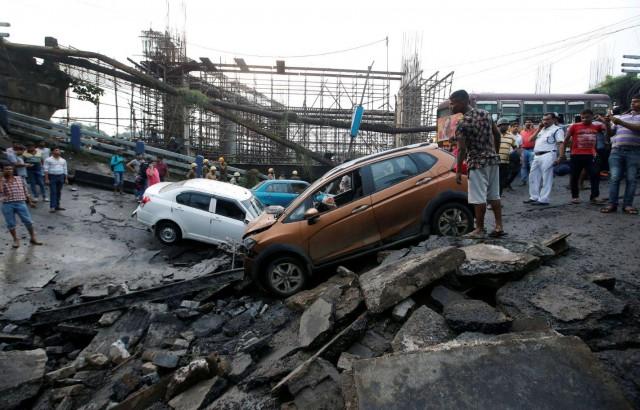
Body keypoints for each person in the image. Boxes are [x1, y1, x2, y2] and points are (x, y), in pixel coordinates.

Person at [450, 89, 505, 238]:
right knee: (494, 194)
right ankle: (499, 226)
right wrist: (495, 153)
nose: (451, 107)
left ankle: (479, 229)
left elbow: (461, 149)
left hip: (476, 162)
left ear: (462, 102)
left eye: (453, 103)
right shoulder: (485, 114)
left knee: (478, 197)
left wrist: (458, 171)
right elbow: (497, 134)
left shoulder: (462, 123)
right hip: (492, 160)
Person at [599, 94, 640, 214]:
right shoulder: (622, 116)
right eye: (632, 101)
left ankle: (627, 205)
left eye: (637, 102)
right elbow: (610, 135)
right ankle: (612, 204)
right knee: (615, 177)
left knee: (631, 179)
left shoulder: (620, 119)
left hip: (635, 151)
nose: (633, 103)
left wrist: (620, 122)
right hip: (616, 150)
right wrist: (607, 123)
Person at [556, 109, 605, 204]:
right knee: (574, 176)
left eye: (587, 117)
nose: (584, 119)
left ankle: (594, 196)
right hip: (576, 155)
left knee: (595, 175)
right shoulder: (574, 126)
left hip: (591, 155)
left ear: (592, 117)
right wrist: (562, 155)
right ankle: (575, 197)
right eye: (582, 117)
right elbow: (565, 140)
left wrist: (602, 120)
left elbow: (608, 129)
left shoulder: (597, 126)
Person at [523, 113, 564, 206]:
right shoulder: (541, 130)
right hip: (537, 155)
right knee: (533, 176)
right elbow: (530, 140)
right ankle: (534, 197)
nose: (545, 121)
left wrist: (560, 157)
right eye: (543, 119)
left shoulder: (557, 129)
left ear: (554, 120)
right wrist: (538, 129)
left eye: (547, 119)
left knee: (546, 177)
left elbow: (561, 143)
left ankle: (544, 199)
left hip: (548, 154)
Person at [1, 165, 42, 248]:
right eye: (6, 169)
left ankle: (33, 238)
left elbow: (25, 190)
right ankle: (15, 239)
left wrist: (30, 201)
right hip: (7, 204)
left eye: (10, 169)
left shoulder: (19, 179)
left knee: (28, 221)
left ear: (13, 170)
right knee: (11, 223)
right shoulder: (2, 180)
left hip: (21, 202)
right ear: (3, 170)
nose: (9, 170)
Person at [44, 147, 68, 213]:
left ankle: (57, 206)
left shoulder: (63, 160)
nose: (58, 151)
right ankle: (52, 207)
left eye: (59, 150)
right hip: (52, 177)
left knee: (59, 192)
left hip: (61, 176)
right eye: (56, 150)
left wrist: (66, 178)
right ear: (52, 152)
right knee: (53, 192)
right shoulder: (48, 160)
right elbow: (46, 170)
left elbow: (65, 169)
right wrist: (46, 179)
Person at [497, 118, 517, 195]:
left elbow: (515, 147)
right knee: (493, 182)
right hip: (494, 162)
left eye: (507, 125)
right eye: (503, 125)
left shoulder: (511, 136)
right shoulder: (494, 134)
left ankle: (498, 199)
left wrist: (514, 154)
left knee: (501, 182)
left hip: (505, 163)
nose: (505, 126)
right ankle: (490, 201)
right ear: (498, 126)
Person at [519, 119, 537, 185]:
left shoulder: (534, 131)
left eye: (530, 122)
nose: (528, 123)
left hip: (532, 150)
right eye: (527, 122)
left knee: (532, 166)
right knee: (523, 166)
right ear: (524, 124)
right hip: (523, 150)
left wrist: (533, 128)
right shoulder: (521, 132)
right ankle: (524, 181)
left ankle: (533, 180)